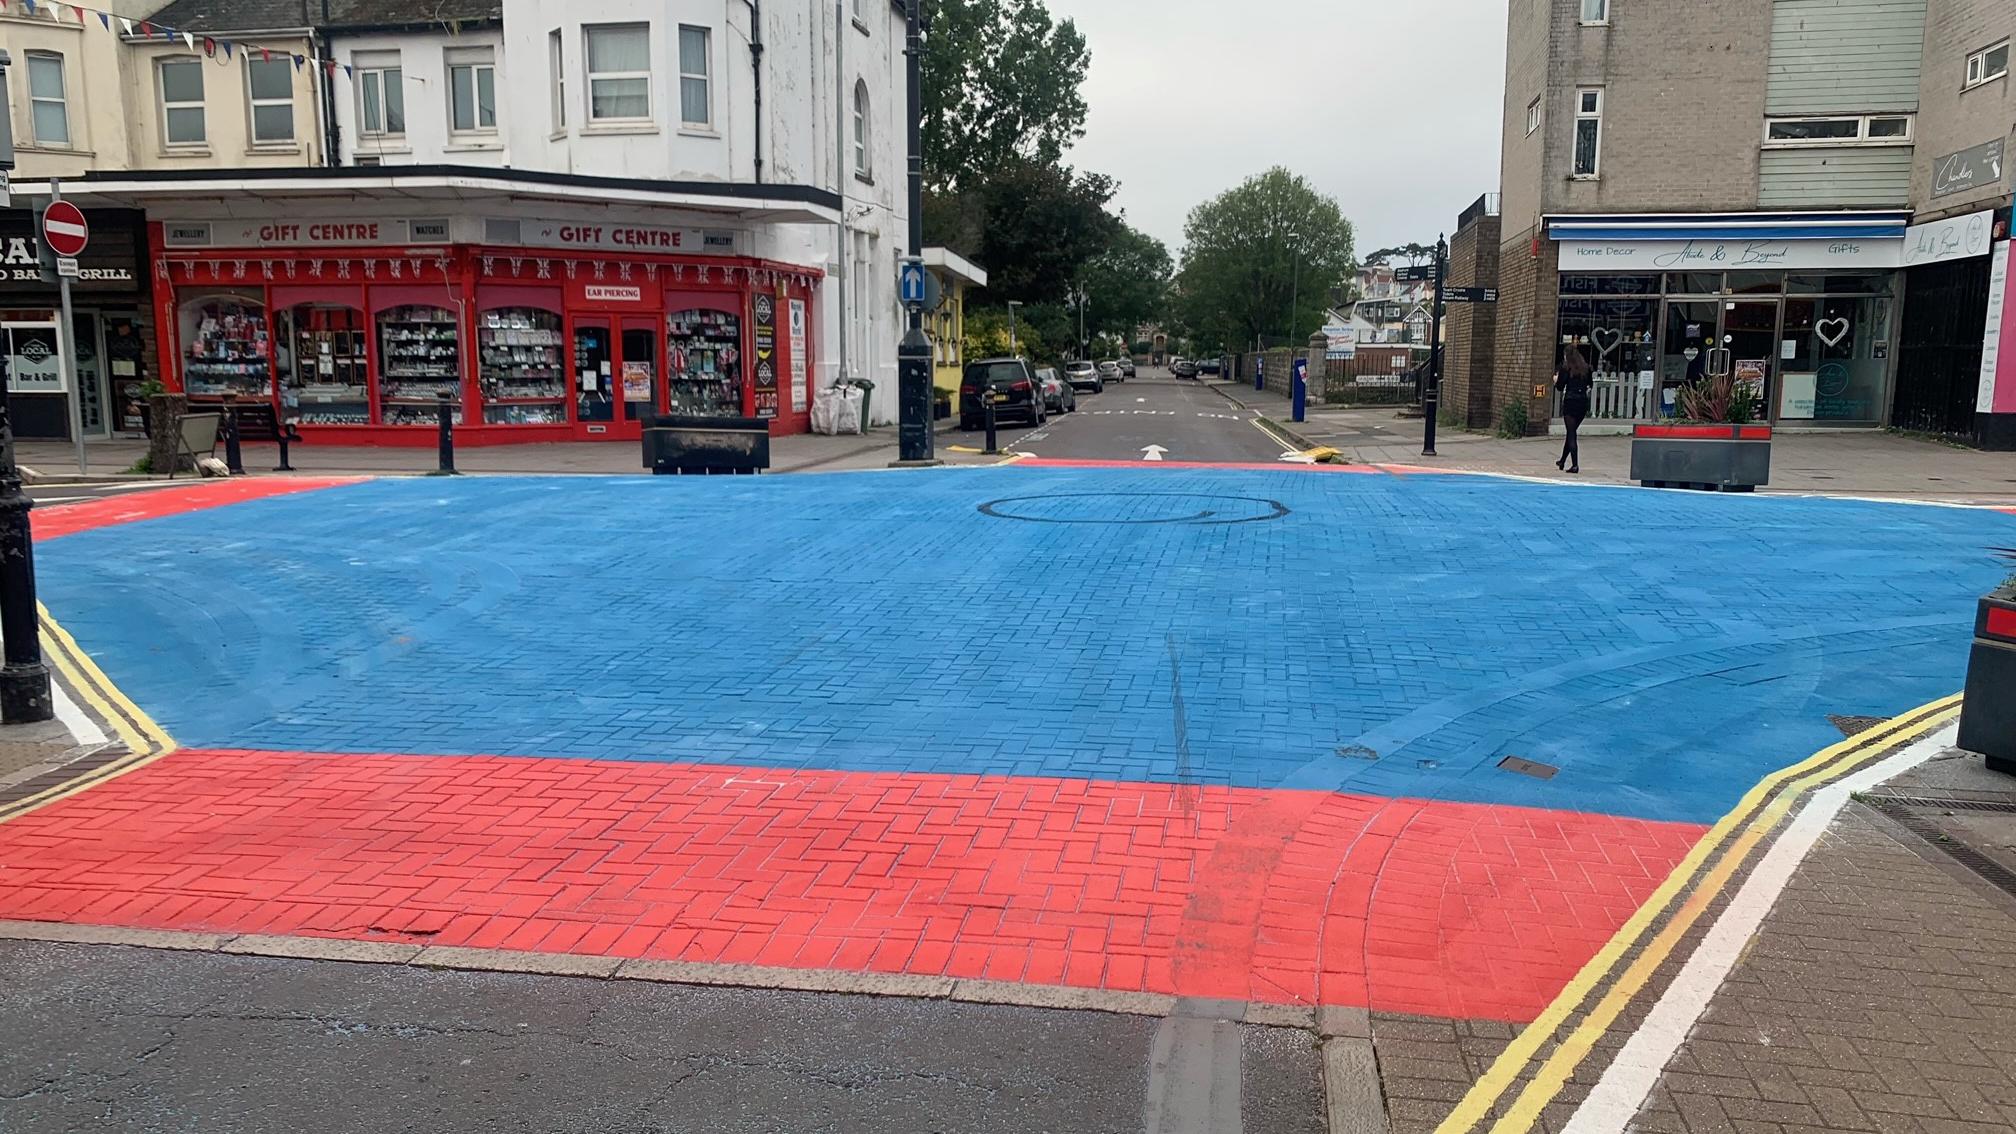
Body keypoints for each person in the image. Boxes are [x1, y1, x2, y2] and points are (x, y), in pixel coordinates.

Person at [1554, 346, 1594, 474]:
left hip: (1570, 402)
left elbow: (1560, 387)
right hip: (1582, 403)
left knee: (1571, 434)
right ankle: (1562, 460)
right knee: (1571, 432)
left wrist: (1555, 380)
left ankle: (1575, 464)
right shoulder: (1586, 368)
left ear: (1567, 356)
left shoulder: (1566, 368)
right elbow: (1590, 385)